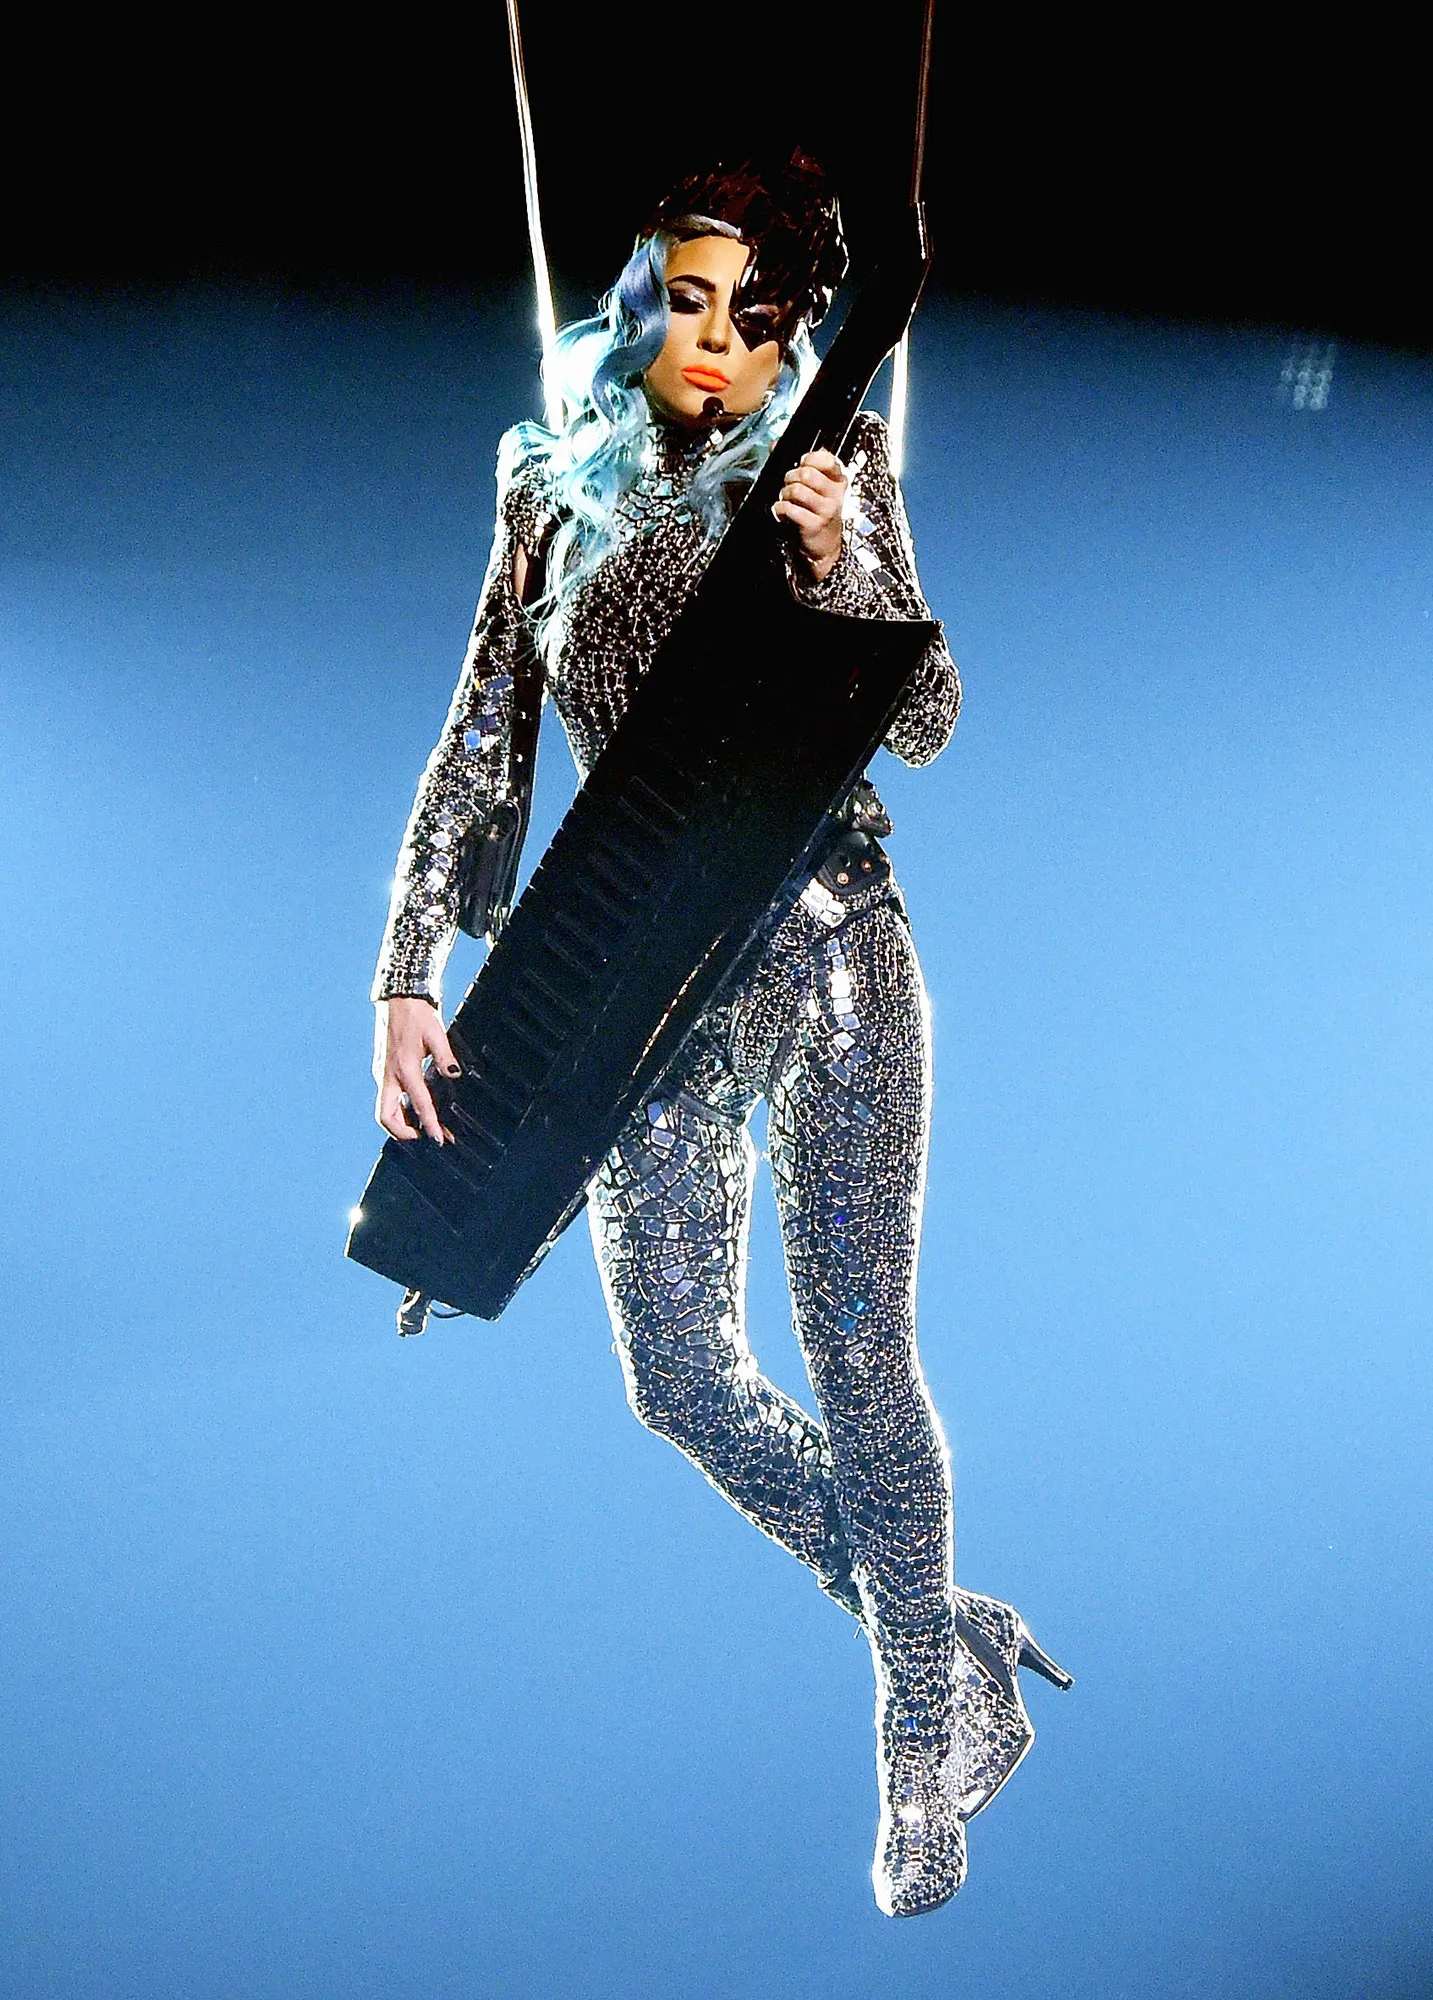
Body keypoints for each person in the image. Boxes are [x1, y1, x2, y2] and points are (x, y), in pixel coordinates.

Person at [369, 153, 1068, 1918]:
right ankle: (937, 1624)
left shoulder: (832, 464)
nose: (713, 342)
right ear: (638, 301)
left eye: (754, 318)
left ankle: (920, 1726)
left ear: (793, 338)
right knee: (676, 1377)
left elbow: (931, 716)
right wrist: (405, 975)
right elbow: (483, 735)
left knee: (858, 1348)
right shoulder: (549, 487)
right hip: (642, 988)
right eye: (685, 300)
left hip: (827, 943)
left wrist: (835, 564)